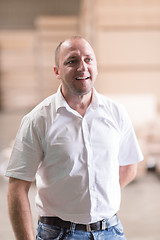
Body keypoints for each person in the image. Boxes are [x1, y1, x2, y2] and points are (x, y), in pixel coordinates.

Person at [6, 36, 143, 240]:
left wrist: (96, 197)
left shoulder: (116, 113)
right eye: (72, 61)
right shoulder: (38, 120)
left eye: (88, 60)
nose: (82, 67)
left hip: (111, 231)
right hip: (59, 234)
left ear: (96, 66)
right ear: (57, 71)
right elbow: (17, 189)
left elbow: (129, 167)